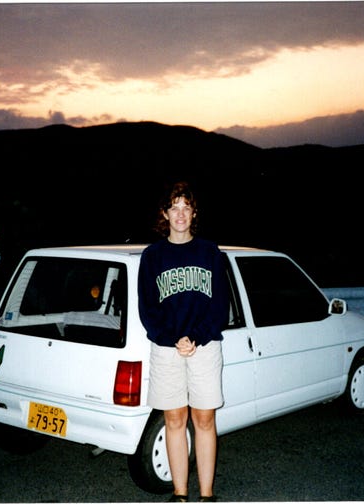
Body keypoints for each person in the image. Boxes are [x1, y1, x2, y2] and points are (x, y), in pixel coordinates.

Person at [138, 181, 229, 502]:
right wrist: (172, 338)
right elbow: (147, 310)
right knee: (174, 419)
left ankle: (206, 495)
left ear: (193, 213)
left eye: (185, 207)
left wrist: (196, 337)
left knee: (204, 419)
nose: (180, 213)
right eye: (174, 207)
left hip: (205, 348)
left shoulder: (211, 253)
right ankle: (180, 494)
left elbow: (220, 307)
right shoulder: (152, 256)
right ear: (165, 213)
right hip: (166, 349)